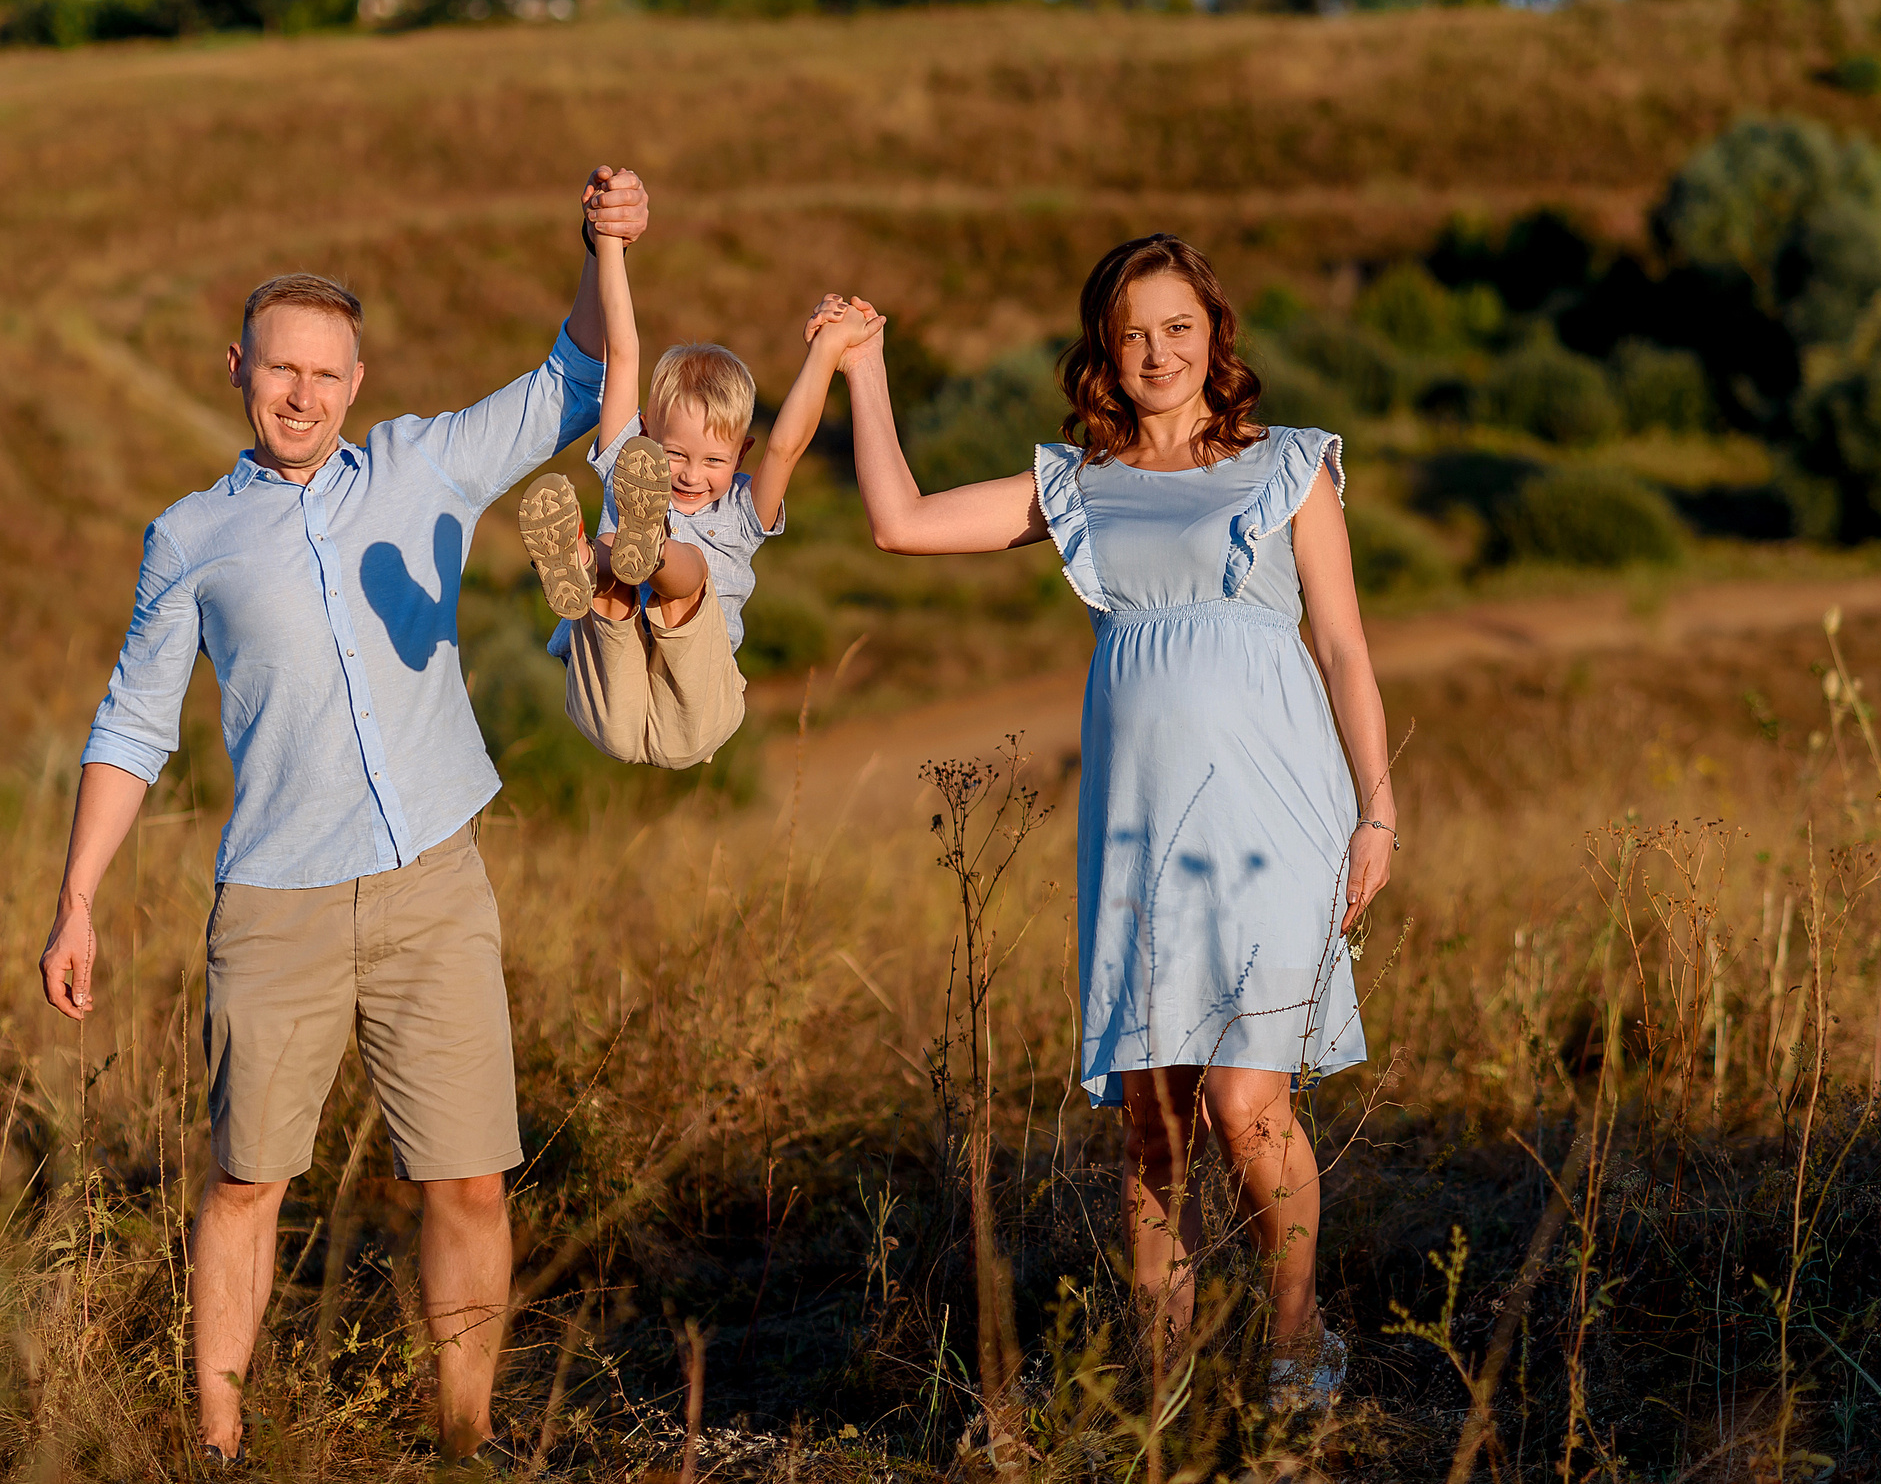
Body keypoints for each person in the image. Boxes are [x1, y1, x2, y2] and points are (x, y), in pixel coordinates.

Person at [36, 166, 651, 1471]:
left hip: (436, 878)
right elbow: (131, 727)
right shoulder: (187, 538)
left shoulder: (427, 465)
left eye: (324, 372)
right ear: (237, 371)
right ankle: (217, 1437)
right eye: (277, 369)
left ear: (356, 383)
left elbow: (581, 377)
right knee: (248, 1181)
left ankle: (463, 1438)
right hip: (277, 900)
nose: (301, 393)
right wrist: (79, 899)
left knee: (469, 1179)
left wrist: (604, 244)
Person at [833, 233, 1396, 1409]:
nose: (1156, 352)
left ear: (1213, 335)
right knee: (1153, 1121)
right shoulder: (1077, 485)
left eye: (1178, 327)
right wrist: (863, 366)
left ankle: (1297, 1345)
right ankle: (1164, 1387)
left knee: (1246, 1100)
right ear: (1103, 347)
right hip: (1139, 833)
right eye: (1132, 331)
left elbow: (1342, 644)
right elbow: (897, 520)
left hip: (1279, 815)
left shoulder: (1289, 465)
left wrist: (1375, 810)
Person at [511, 217, 867, 768]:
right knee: (613, 591)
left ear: (741, 456)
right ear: (647, 433)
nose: (691, 475)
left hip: (694, 712)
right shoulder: (633, 462)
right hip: (610, 699)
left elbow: (786, 448)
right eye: (674, 454)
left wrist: (825, 352)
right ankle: (585, 565)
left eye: (714, 461)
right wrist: (608, 246)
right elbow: (623, 353)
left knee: (687, 579)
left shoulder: (744, 509)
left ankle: (631, 551)